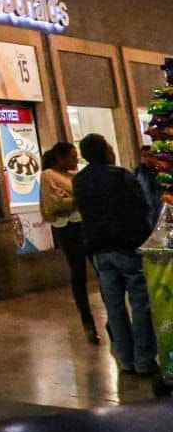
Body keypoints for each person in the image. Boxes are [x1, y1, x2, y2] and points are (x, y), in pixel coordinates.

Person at [73, 134, 156, 375]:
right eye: (109, 146)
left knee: (114, 305)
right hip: (127, 247)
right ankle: (143, 358)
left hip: (100, 250)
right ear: (104, 151)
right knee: (140, 303)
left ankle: (126, 359)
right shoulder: (121, 175)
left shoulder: (80, 181)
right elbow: (141, 206)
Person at [39, 142, 99, 344]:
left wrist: (74, 198)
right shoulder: (48, 175)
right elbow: (56, 203)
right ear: (60, 157)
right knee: (79, 273)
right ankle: (87, 321)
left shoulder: (75, 176)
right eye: (72, 156)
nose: (75, 161)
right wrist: (76, 198)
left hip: (83, 225)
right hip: (68, 228)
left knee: (98, 270)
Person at [135, 144, 165, 232]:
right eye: (144, 156)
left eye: (150, 156)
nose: (147, 159)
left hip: (161, 209)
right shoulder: (139, 172)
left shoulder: (163, 172)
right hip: (148, 213)